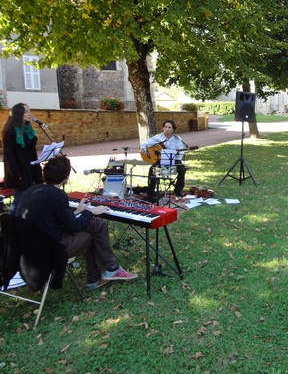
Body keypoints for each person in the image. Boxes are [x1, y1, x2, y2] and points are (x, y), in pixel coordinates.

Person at [16, 155, 138, 290]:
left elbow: (51, 219)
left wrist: (77, 211)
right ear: (66, 177)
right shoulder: (57, 194)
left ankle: (106, 272)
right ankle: (102, 274)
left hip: (27, 248)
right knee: (93, 233)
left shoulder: (31, 190)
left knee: (95, 226)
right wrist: (91, 212)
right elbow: (72, 227)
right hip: (49, 250)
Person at [2, 103, 43, 215]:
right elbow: (9, 157)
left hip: (30, 169)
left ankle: (24, 221)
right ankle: (11, 225)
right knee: (19, 199)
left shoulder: (28, 131)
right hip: (19, 172)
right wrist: (17, 175)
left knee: (29, 199)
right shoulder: (10, 132)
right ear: (18, 114)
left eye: (29, 111)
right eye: (26, 111)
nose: (29, 114)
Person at [140, 120, 188, 201]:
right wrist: (143, 148)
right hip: (161, 159)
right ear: (163, 128)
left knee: (182, 169)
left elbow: (181, 153)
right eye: (165, 127)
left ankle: (177, 192)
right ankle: (150, 194)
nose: (167, 129)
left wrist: (176, 156)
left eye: (169, 127)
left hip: (174, 159)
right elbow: (146, 142)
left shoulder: (177, 139)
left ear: (173, 129)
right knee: (152, 169)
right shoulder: (158, 137)